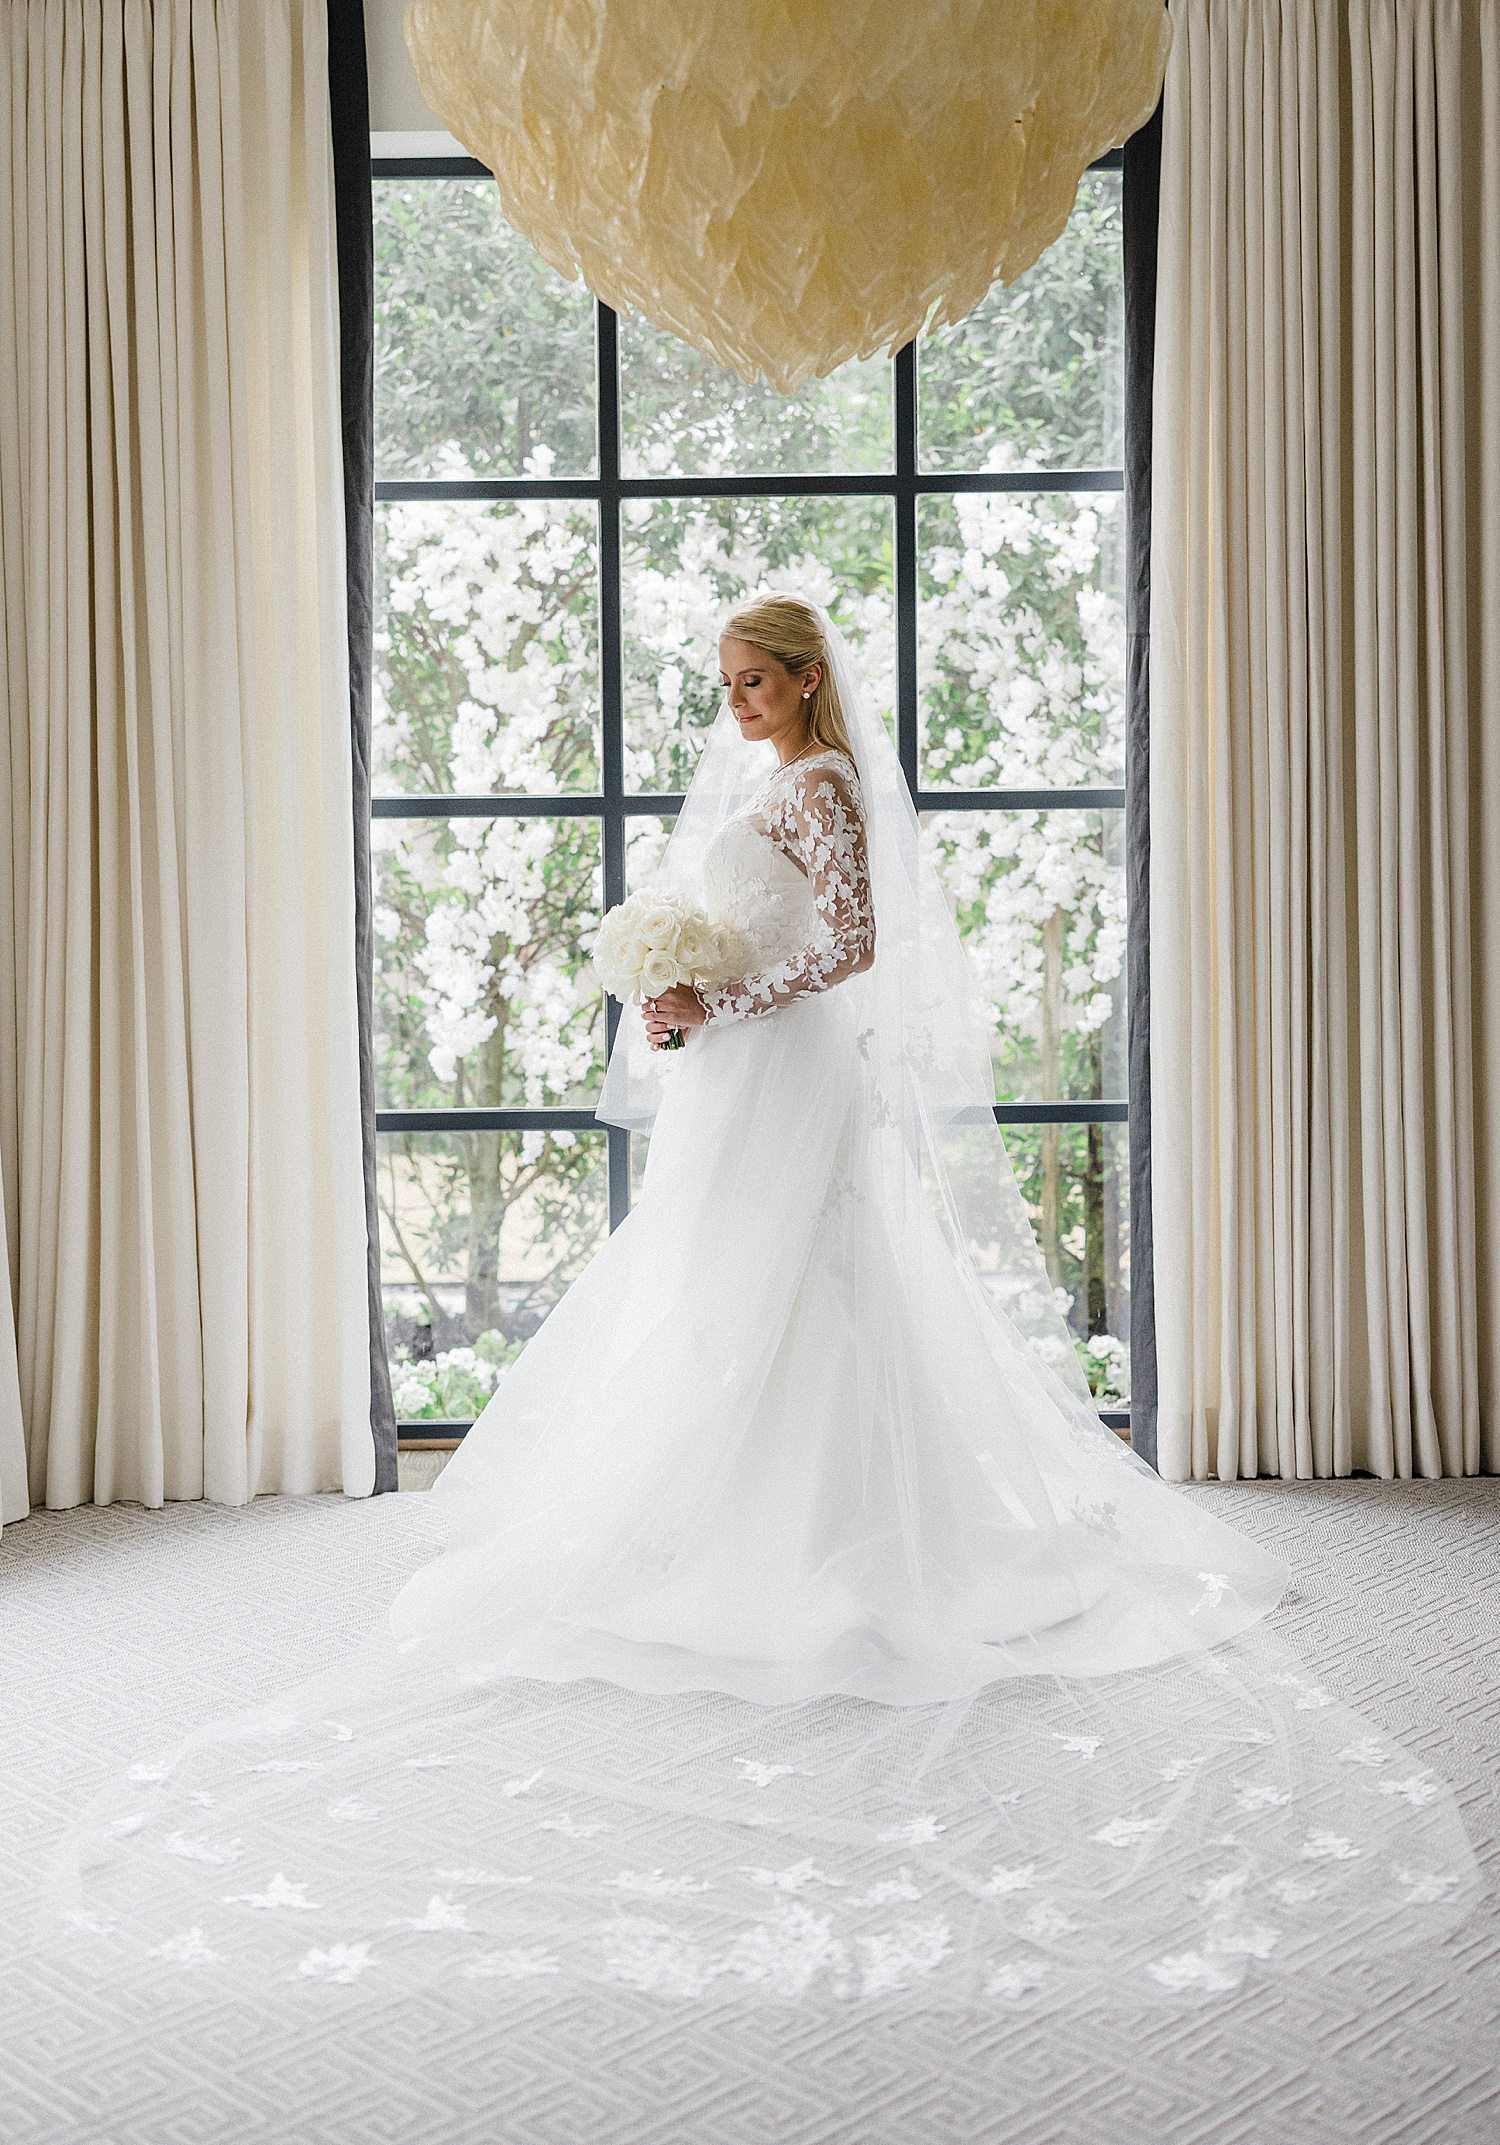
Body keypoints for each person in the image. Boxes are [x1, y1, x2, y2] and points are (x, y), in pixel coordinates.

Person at [53, 594, 1479, 2012]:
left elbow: (852, 944)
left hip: (787, 1065)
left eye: (758, 679)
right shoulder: (764, 779)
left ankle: (820, 1533)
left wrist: (719, 1003)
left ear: (808, 682)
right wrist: (678, 987)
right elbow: (774, 932)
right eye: (728, 681)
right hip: (747, 1070)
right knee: (721, 1283)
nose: (738, 699)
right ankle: (728, 1515)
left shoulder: (822, 784)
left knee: (791, 1288)